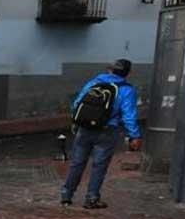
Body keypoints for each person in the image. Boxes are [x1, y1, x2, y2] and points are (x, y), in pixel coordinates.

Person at [61, 59, 143, 209]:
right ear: (128, 73)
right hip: (107, 131)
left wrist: (77, 122)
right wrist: (134, 136)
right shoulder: (127, 90)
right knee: (99, 166)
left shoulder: (94, 83)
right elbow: (129, 116)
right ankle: (92, 198)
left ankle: (66, 195)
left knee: (77, 163)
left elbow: (76, 104)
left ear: (110, 70)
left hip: (84, 129)